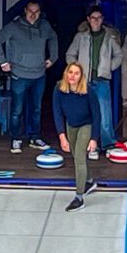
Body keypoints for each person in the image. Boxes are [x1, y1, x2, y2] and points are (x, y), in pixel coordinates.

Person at [0, 0, 58, 154]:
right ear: (25, 11)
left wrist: (53, 57)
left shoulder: (45, 26)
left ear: (40, 12)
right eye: (30, 11)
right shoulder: (14, 27)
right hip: (19, 75)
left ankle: (35, 137)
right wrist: (3, 62)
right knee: (17, 110)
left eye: (36, 12)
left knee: (36, 109)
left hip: (39, 74)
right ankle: (16, 138)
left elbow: (53, 38)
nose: (33, 15)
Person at [65, 5, 124, 156]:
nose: (96, 21)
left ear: (102, 20)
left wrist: (109, 67)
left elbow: (119, 55)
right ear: (88, 20)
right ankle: (92, 145)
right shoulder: (81, 37)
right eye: (93, 18)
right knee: (86, 114)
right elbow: (70, 54)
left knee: (104, 114)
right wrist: (76, 70)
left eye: (99, 18)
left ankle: (108, 144)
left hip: (102, 80)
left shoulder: (109, 37)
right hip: (84, 81)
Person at [54, 63, 100, 212]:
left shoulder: (89, 91)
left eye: (76, 73)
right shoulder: (59, 88)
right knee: (76, 155)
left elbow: (97, 116)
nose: (72, 76)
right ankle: (89, 181)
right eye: (70, 72)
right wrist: (62, 136)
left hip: (86, 124)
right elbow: (57, 113)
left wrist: (94, 138)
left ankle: (79, 198)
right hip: (71, 124)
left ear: (81, 77)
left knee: (79, 158)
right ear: (66, 74)